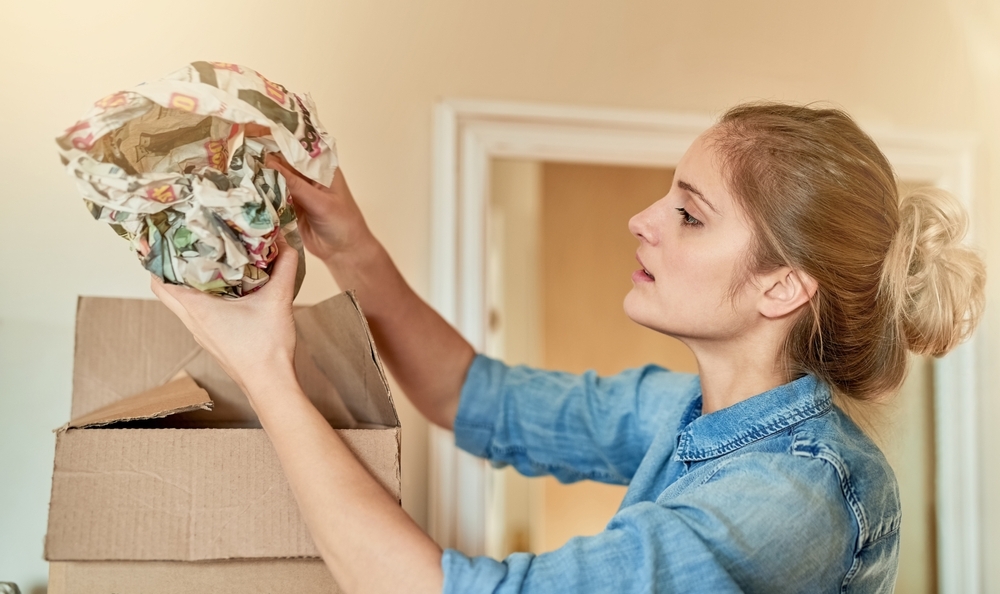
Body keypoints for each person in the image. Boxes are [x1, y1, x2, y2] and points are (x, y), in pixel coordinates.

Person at [151, 102, 985, 593]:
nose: (644, 220)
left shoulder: (791, 497)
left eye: (689, 215)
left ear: (781, 287)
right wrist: (352, 247)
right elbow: (473, 395)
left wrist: (263, 367)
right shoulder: (689, 412)